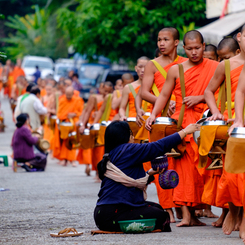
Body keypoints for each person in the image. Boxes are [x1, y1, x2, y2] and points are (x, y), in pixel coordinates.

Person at [146, 30, 219, 227]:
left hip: (205, 123)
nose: (194, 52)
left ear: (204, 46)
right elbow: (163, 95)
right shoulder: (175, 69)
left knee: (204, 170)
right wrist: (153, 115)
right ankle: (187, 216)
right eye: (190, 49)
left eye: (198, 48)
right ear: (183, 48)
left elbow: (221, 92)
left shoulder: (216, 67)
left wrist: (201, 98)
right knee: (184, 171)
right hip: (183, 124)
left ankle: (199, 212)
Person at [94, 120, 200, 232]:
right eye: (130, 133)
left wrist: (149, 173)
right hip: (113, 214)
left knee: (157, 208)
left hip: (103, 213)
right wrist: (185, 132)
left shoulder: (112, 153)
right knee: (161, 217)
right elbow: (158, 146)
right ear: (124, 136)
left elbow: (129, 179)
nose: (133, 136)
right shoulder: (128, 150)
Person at [135, 27, 187, 223]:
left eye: (166, 39)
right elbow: (144, 92)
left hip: (181, 118)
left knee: (181, 164)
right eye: (159, 40)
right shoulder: (152, 65)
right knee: (161, 163)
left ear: (176, 43)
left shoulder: (185, 62)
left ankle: (185, 207)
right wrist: (164, 101)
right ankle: (169, 209)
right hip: (159, 120)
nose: (161, 43)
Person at [204, 24, 245, 237]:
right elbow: (209, 91)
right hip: (233, 122)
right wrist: (216, 112)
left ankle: (242, 216)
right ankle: (232, 211)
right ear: (239, 38)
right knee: (231, 173)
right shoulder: (227, 66)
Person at [53, 86, 84, 166]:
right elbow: (59, 113)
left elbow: (81, 112)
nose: (68, 97)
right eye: (67, 94)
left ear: (73, 94)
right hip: (65, 123)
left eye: (70, 95)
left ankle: (72, 159)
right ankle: (64, 159)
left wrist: (75, 114)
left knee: (73, 139)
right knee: (65, 140)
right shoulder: (62, 100)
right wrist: (67, 116)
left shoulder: (78, 100)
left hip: (74, 122)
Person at [119, 57, 150, 121]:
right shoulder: (128, 87)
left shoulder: (155, 86)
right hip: (132, 121)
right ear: (136, 68)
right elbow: (122, 108)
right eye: (140, 67)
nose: (143, 70)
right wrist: (122, 116)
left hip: (149, 122)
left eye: (146, 67)